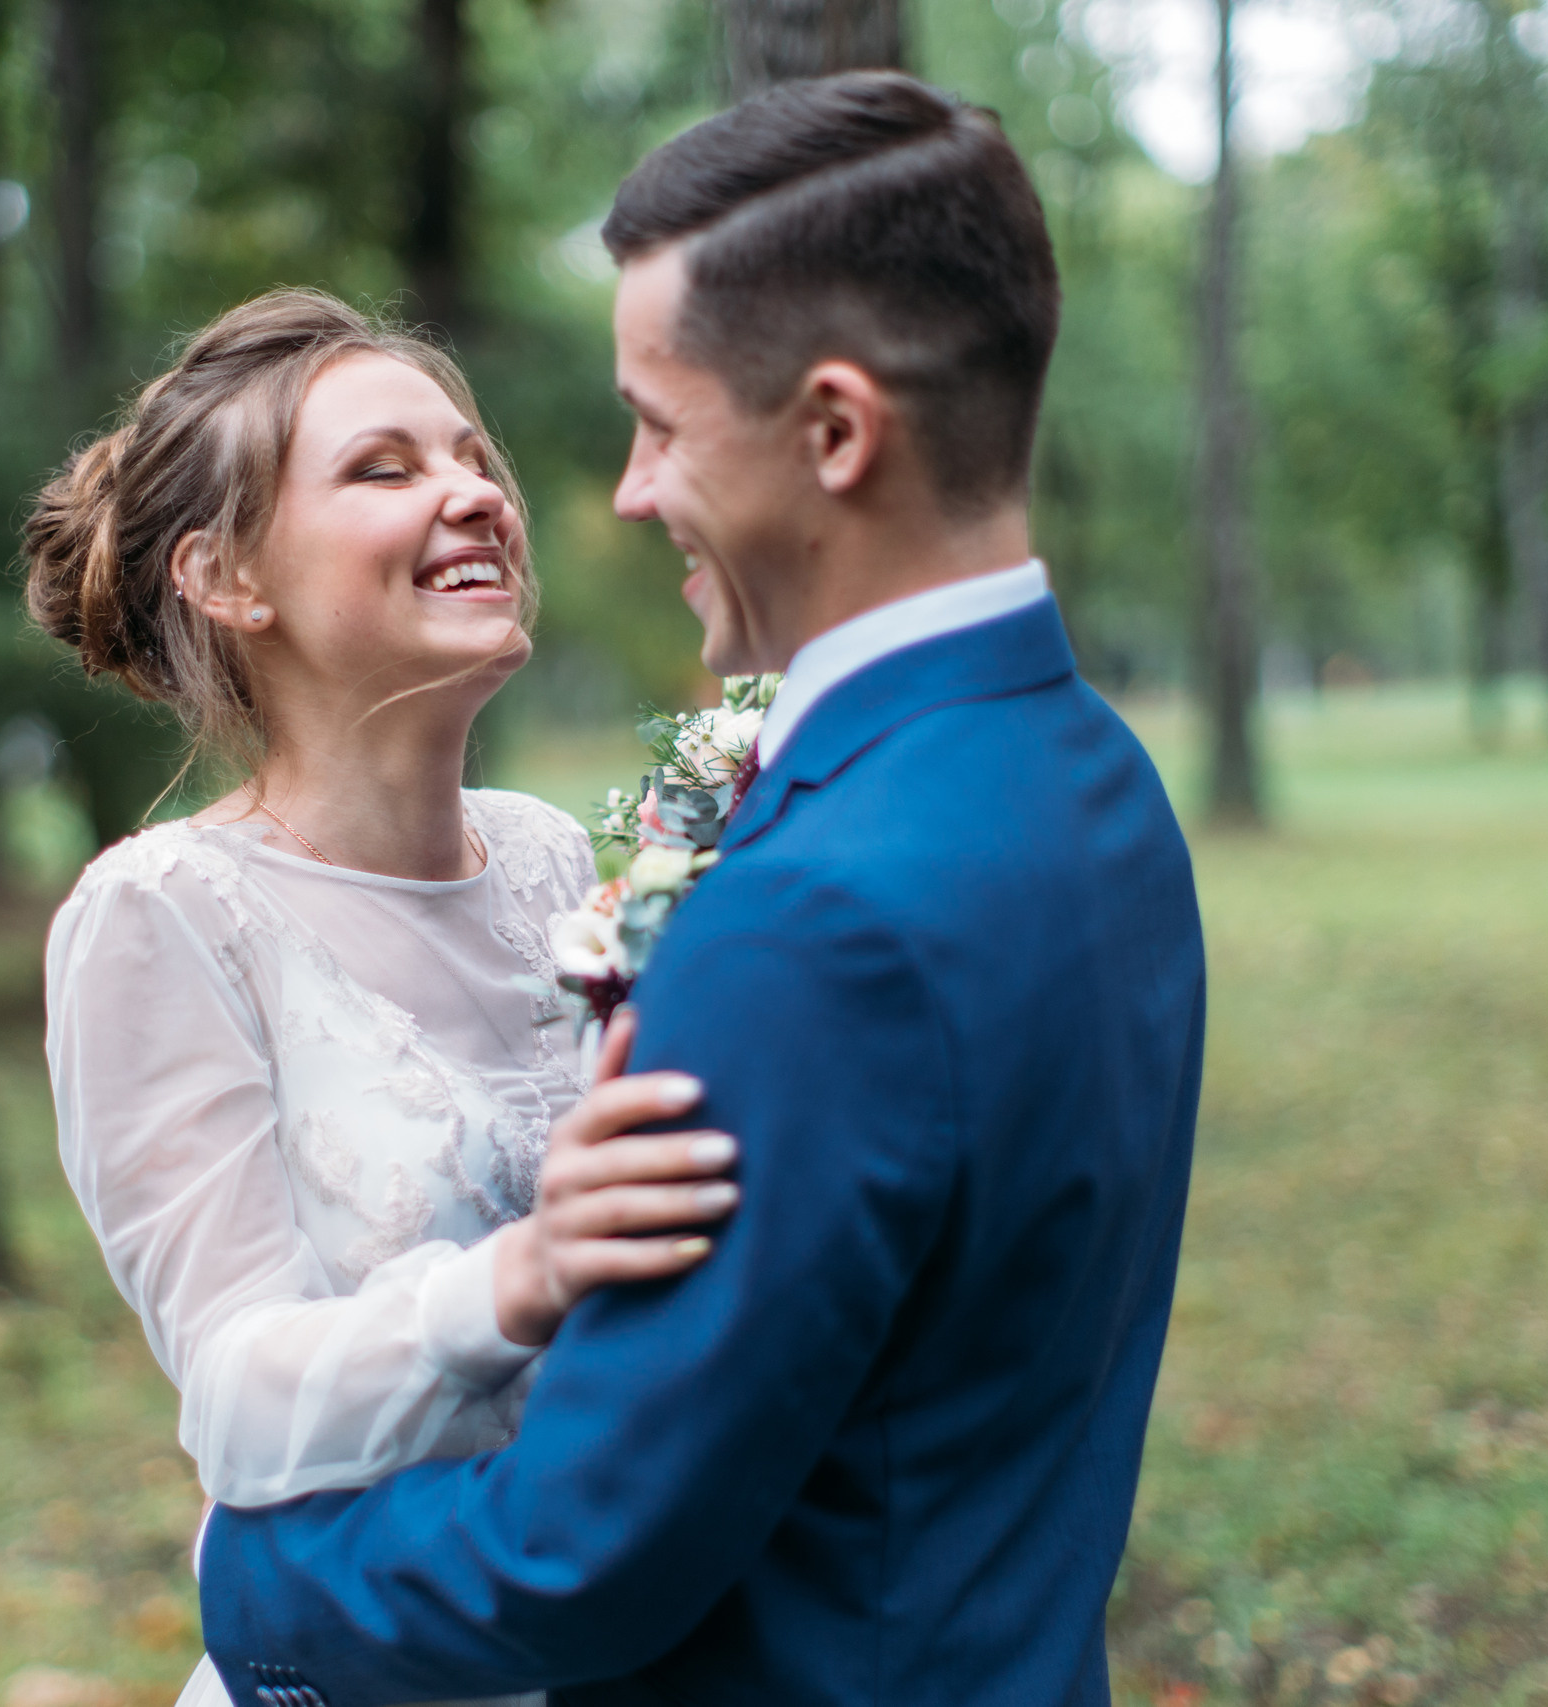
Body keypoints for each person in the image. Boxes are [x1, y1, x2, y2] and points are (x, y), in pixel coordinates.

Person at [193, 72, 1207, 1707]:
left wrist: (249, 1585)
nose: (627, 488)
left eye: (660, 425)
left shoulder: (811, 923)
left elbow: (578, 1551)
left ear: (834, 433)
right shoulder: (1093, 775)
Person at [24, 289, 745, 1707]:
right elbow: (234, 1400)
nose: (477, 495)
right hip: (372, 1659)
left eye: (472, 456)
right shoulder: (164, 912)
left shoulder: (547, 854)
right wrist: (520, 1280)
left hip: (609, 1641)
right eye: (386, 468)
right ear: (227, 577)